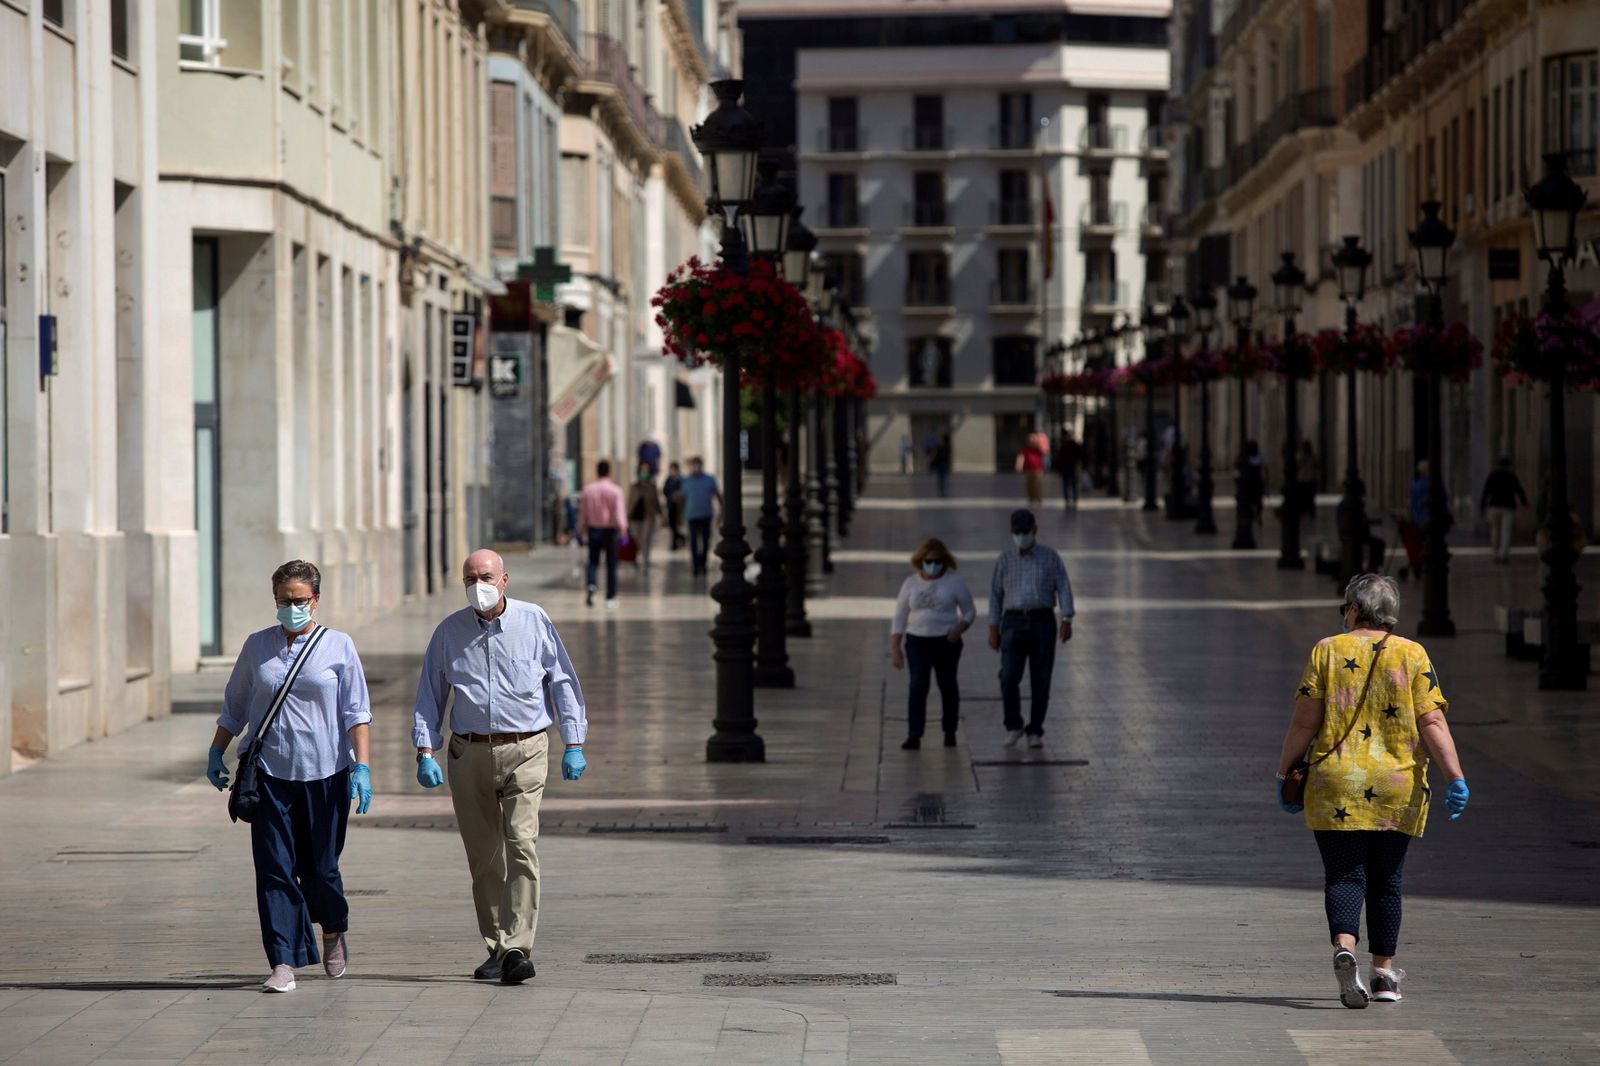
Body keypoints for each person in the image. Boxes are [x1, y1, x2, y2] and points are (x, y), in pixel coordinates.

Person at [1275, 573, 1468, 1008]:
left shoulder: (1327, 650)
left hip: (1335, 784)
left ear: (1355, 610)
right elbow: (1432, 721)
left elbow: (1305, 722)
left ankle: (1345, 947)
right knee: (1387, 881)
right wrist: (1455, 776)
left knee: (1344, 875)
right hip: (1396, 787)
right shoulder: (1413, 654)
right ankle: (1383, 975)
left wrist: (1284, 771)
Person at [413, 549, 588, 985]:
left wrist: (574, 742)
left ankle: (517, 947)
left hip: (526, 749)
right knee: (485, 856)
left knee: (522, 843)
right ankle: (497, 945)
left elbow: (562, 681)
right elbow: (429, 695)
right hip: (468, 753)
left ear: (505, 579)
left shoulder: (534, 621)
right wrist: (424, 751)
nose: (479, 584)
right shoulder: (449, 633)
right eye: (470, 578)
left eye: (487, 576)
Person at [206, 559, 373, 994]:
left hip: (326, 772)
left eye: (300, 601)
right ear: (275, 601)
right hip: (270, 774)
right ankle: (284, 960)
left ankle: (333, 927)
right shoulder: (257, 646)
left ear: (316, 600)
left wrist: (363, 767)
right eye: (285, 601)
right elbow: (236, 705)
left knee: (321, 869)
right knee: (275, 869)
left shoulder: (338, 646)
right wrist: (216, 749)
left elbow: (357, 712)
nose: (292, 608)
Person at [987, 509, 1074, 749]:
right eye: (1017, 532)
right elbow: (995, 595)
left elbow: (1063, 587)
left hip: (1042, 622)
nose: (1021, 536)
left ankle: (1035, 729)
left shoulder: (1050, 557)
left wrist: (1067, 618)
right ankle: (1014, 724)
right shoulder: (1004, 560)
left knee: (1041, 679)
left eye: (1025, 531)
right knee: (1008, 676)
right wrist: (993, 627)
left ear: (1035, 530)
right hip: (1013, 622)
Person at [889, 538, 976, 750]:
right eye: (928, 561)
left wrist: (959, 629)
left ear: (945, 561)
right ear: (921, 561)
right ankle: (914, 734)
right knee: (918, 685)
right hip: (917, 641)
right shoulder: (910, 583)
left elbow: (970, 611)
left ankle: (950, 730)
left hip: (946, 641)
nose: (933, 565)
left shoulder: (954, 581)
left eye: (938, 561)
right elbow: (899, 617)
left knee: (947, 685)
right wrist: (895, 649)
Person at [577, 460, 628, 608]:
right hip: (610, 531)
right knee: (611, 563)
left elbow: (583, 513)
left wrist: (580, 530)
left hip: (594, 530)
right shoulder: (616, 491)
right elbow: (619, 513)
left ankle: (592, 585)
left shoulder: (588, 490)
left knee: (593, 561)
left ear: (597, 472)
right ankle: (610, 597)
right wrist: (623, 530)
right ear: (609, 472)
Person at [1480, 455, 1528, 564]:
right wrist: (1524, 502)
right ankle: (1504, 555)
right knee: (1506, 531)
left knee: (1495, 531)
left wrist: (1482, 506)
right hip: (1508, 507)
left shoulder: (1493, 475)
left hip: (1494, 506)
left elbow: (1486, 491)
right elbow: (1519, 489)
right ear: (1509, 465)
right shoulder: (1511, 476)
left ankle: (1495, 554)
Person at [680, 456, 722, 576]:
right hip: (692, 516)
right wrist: (681, 516)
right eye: (694, 464)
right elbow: (683, 499)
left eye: (698, 464)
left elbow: (717, 494)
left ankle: (703, 564)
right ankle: (695, 564)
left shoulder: (709, 480)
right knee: (693, 541)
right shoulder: (687, 481)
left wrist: (722, 509)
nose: (696, 467)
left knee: (705, 541)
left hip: (706, 515)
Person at [626, 463, 664, 569]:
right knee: (637, 538)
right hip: (635, 517)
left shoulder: (652, 487)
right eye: (642, 470)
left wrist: (661, 515)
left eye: (646, 470)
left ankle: (645, 559)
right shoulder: (634, 487)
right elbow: (629, 502)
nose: (644, 472)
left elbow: (656, 502)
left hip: (648, 516)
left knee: (646, 539)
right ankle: (638, 556)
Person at [1237, 440, 1266, 528]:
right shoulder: (1260, 458)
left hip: (1249, 482)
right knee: (1258, 500)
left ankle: (1252, 515)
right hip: (1258, 482)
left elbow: (1237, 466)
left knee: (1249, 500)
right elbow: (1265, 469)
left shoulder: (1246, 458)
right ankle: (1258, 515)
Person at [1055, 431, 1085, 509]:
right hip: (1069, 469)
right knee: (1069, 485)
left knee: (1070, 485)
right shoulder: (1069, 445)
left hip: (1071, 469)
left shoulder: (1069, 445)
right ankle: (1069, 500)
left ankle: (1071, 500)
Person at [1016, 436, 1046, 507]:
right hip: (1028, 470)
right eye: (1030, 441)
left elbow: (1044, 453)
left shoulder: (1038, 449)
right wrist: (1019, 465)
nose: (1031, 443)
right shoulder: (1025, 449)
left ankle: (1038, 499)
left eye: (1033, 441)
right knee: (1029, 485)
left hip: (1037, 470)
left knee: (1037, 485)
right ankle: (1031, 499)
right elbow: (1021, 457)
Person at [662, 461, 685, 550]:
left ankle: (675, 543)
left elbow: (684, 491)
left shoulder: (681, 479)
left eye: (674, 469)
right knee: (672, 525)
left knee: (676, 524)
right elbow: (665, 490)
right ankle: (680, 538)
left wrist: (678, 495)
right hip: (670, 505)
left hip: (679, 506)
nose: (672, 471)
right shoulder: (669, 479)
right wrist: (671, 495)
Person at [931, 432, 953, 498]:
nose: (939, 439)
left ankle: (942, 491)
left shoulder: (942, 447)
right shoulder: (945, 446)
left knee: (942, 479)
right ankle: (942, 491)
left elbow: (936, 455)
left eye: (940, 438)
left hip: (942, 464)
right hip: (942, 464)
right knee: (942, 479)